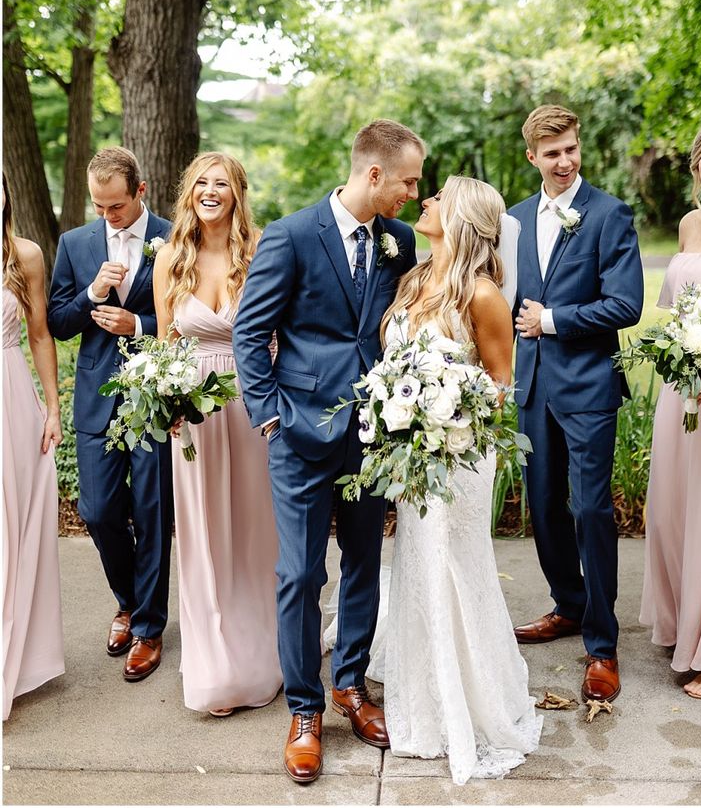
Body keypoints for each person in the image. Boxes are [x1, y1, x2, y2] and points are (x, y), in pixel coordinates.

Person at [234, 119, 424, 784]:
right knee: (299, 575)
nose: (411, 193)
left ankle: (350, 687)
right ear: (372, 174)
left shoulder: (399, 241)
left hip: (375, 434)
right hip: (299, 434)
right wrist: (268, 419)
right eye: (406, 180)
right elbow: (250, 333)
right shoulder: (289, 235)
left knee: (366, 565)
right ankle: (305, 710)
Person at [379, 175, 543, 785]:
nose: (425, 202)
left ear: (464, 217)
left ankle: (473, 703)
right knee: (419, 564)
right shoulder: (415, 281)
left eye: (439, 197)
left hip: (461, 457)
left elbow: (501, 387)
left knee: (456, 564)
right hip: (415, 455)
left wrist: (445, 417)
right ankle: (422, 690)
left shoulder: (482, 294)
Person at [508, 104, 643, 703]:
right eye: (551, 153)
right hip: (532, 387)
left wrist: (553, 319)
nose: (564, 162)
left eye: (571, 150)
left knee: (590, 509)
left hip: (588, 387)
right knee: (543, 506)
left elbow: (626, 305)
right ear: (532, 156)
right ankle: (568, 603)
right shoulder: (512, 221)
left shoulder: (610, 215)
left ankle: (603, 645)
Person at [153, 152, 281, 716]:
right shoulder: (170, 260)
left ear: (237, 193)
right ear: (189, 193)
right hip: (193, 415)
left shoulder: (258, 254)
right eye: (201, 183)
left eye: (221, 183)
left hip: (252, 401)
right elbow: (163, 343)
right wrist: (163, 401)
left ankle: (261, 656)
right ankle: (212, 666)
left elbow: (280, 330)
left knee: (255, 528)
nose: (210, 190)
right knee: (203, 531)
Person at [47, 147, 172, 682]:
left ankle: (148, 627)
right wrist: (92, 294)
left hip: (154, 397)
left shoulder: (173, 234)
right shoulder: (75, 244)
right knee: (98, 512)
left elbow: (183, 312)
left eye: (116, 206)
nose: (107, 215)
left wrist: (138, 325)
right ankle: (127, 600)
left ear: (139, 192)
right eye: (99, 206)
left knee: (152, 515)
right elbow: (57, 322)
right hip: (97, 399)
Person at [640, 118, 701, 699]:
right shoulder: (689, 224)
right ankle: (686, 625)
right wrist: (684, 359)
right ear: (697, 166)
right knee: (675, 509)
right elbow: (677, 311)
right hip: (683, 392)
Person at [3, 174, 64, 719]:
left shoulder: (24, 255)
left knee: (11, 528)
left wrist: (52, 407)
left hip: (12, 401)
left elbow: (41, 333)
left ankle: (14, 657)